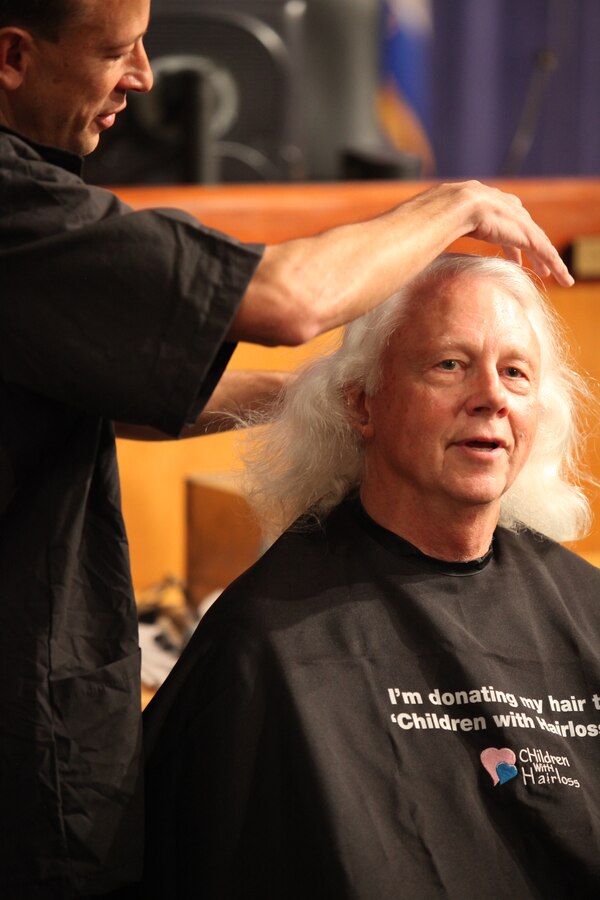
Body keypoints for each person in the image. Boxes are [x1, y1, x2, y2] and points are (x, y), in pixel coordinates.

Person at [0, 0, 575, 896]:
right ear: (13, 56)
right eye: (450, 366)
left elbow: (102, 390)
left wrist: (312, 398)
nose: (148, 75)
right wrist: (456, 201)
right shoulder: (19, 214)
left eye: (515, 374)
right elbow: (287, 302)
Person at [140, 254, 600, 899]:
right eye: (450, 365)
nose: (492, 396)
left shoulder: (588, 610)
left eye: (516, 373)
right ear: (362, 403)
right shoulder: (266, 641)